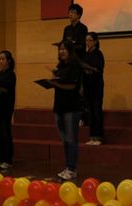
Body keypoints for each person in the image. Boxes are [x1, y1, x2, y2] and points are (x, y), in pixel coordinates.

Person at [49, 40, 83, 180]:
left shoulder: (74, 65)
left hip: (72, 107)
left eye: (64, 49)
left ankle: (72, 169)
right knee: (64, 139)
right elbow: (57, 82)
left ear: (69, 50)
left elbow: (72, 86)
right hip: (59, 106)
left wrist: (56, 83)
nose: (61, 51)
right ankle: (67, 166)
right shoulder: (60, 65)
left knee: (71, 138)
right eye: (60, 49)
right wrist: (52, 79)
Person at [82, 32, 105, 145]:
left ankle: (98, 137)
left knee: (96, 111)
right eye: (86, 40)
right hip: (88, 86)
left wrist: (89, 68)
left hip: (96, 86)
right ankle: (92, 137)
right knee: (90, 112)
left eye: (90, 40)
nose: (87, 43)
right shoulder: (86, 54)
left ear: (95, 42)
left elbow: (99, 69)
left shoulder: (98, 54)